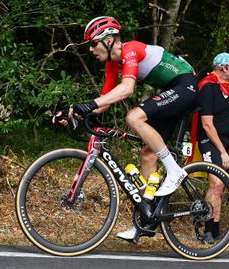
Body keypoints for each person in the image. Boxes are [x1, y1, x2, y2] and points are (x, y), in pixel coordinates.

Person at [68, 16, 199, 241]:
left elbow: (126, 89)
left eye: (93, 43)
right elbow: (104, 101)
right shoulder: (112, 65)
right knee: (148, 155)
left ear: (109, 41)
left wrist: (90, 106)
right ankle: (147, 221)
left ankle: (174, 170)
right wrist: (75, 112)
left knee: (134, 117)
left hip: (185, 85)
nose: (90, 49)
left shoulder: (131, 49)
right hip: (170, 90)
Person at [195, 52, 229, 243]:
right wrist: (221, 151)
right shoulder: (208, 87)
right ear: (223, 67)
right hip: (209, 141)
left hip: (225, 140)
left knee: (219, 187)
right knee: (216, 183)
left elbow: (224, 116)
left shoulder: (224, 88)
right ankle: (206, 228)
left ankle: (215, 229)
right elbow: (207, 124)